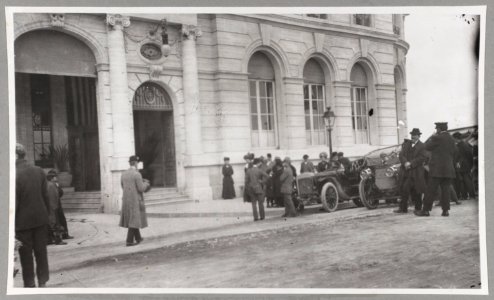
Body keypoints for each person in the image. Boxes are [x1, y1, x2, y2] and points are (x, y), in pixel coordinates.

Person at [15, 143, 50, 287]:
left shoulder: (13, 173)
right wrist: (46, 215)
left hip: (22, 223)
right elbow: (45, 196)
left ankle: (29, 285)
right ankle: (43, 281)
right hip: (40, 219)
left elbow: (13, 203)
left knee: (26, 256)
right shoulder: (39, 170)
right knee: (41, 252)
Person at [415, 122, 457, 217]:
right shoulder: (451, 138)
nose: (435, 130)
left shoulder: (437, 137)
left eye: (436, 128)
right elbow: (455, 152)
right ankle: (445, 211)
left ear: (439, 129)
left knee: (430, 190)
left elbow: (427, 146)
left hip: (437, 170)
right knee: (446, 191)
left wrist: (432, 136)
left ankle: (425, 211)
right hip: (448, 169)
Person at [119, 155, 151, 246]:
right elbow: (141, 188)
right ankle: (129, 241)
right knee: (134, 219)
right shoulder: (137, 174)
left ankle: (138, 238)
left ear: (130, 163)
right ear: (136, 163)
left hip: (126, 200)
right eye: (137, 163)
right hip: (135, 200)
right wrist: (146, 183)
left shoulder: (123, 174)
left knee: (133, 218)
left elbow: (123, 186)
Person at [394, 128, 427, 214]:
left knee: (417, 190)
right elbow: (401, 155)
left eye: (415, 135)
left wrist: (411, 163)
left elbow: (422, 158)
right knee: (404, 189)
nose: (413, 136)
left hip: (416, 172)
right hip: (406, 171)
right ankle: (403, 208)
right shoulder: (406, 144)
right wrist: (405, 163)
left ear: (419, 136)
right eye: (412, 135)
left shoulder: (422, 146)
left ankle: (418, 208)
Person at [46, 170, 67, 245]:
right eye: (55, 177)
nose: (56, 178)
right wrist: (55, 207)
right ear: (52, 178)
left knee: (50, 223)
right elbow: (54, 196)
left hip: (50, 207)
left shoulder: (48, 184)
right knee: (55, 223)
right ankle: (58, 240)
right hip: (53, 207)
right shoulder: (52, 185)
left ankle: (49, 240)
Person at [452, 132, 476, 199]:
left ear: (456, 138)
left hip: (463, 166)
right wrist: (470, 164)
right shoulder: (465, 144)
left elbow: (462, 156)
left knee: (466, 181)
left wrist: (459, 163)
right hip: (465, 165)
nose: (453, 140)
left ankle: (470, 195)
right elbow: (470, 155)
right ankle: (468, 195)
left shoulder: (461, 145)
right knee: (465, 181)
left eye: (453, 138)